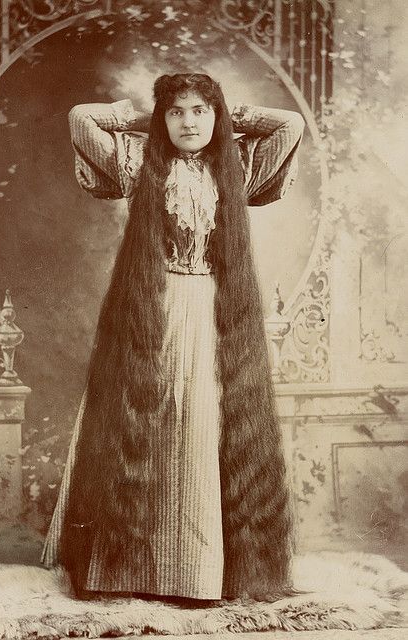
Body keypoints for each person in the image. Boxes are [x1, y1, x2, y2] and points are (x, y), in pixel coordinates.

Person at [41, 73, 305, 603]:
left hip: (212, 313)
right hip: (149, 311)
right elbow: (80, 119)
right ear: (163, 119)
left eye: (201, 111)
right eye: (177, 112)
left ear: (216, 116)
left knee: (202, 429)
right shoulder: (141, 165)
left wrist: (234, 119)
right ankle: (127, 574)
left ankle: (196, 575)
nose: (190, 122)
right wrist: (145, 121)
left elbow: (290, 123)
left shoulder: (238, 167)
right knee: (144, 424)